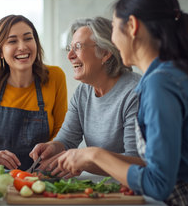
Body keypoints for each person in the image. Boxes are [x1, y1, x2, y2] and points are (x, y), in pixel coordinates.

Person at [55, 0, 188, 206]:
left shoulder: (160, 83)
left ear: (133, 26)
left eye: (114, 28)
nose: (113, 40)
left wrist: (93, 155)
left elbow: (158, 182)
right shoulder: (175, 72)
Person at [30, 17, 142, 176]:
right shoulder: (83, 92)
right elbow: (67, 140)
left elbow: (136, 160)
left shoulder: (134, 92)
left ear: (105, 52)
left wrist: (86, 161)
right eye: (70, 47)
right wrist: (53, 147)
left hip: (130, 188)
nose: (70, 55)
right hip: (101, 187)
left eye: (77, 47)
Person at [0, 15, 68, 170]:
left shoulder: (55, 77)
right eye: (12, 41)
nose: (22, 47)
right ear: (0, 51)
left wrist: (52, 152)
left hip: (42, 179)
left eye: (28, 38)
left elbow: (63, 135)